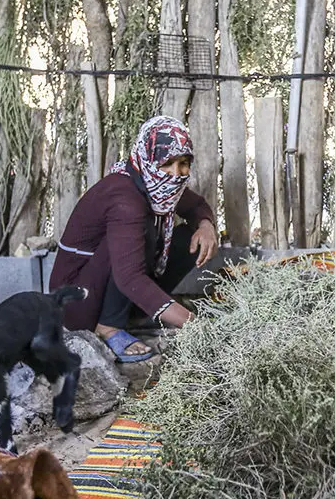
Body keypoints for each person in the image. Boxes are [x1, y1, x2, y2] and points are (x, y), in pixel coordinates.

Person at [49, 115, 219, 362]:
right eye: (167, 163)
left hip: (110, 285)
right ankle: (108, 327)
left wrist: (206, 226)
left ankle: (136, 313)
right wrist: (195, 324)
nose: (175, 173)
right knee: (138, 233)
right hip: (75, 302)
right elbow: (129, 277)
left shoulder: (156, 186)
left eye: (183, 163)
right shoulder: (124, 198)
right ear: (148, 159)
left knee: (187, 238)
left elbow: (196, 205)